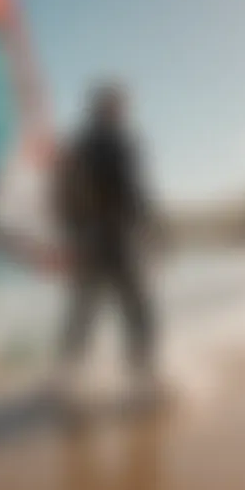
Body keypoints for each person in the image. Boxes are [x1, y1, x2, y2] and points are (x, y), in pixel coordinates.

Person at [52, 82, 161, 396]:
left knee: (84, 313)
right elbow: (135, 195)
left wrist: (74, 236)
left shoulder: (79, 146)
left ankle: (66, 382)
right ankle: (145, 381)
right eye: (118, 104)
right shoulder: (117, 143)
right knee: (138, 311)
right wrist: (150, 231)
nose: (122, 110)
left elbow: (62, 201)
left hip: (92, 242)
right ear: (107, 107)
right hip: (115, 240)